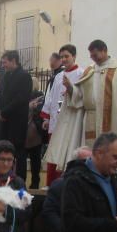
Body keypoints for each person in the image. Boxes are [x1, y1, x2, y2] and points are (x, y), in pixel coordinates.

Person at [46, 40, 117, 183]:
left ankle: (115, 180)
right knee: (91, 152)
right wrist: (71, 88)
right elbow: (79, 96)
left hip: (113, 120)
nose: (93, 58)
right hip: (90, 120)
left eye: (95, 55)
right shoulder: (90, 70)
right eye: (91, 56)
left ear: (104, 50)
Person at [41, 45, 85, 185]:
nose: (64, 59)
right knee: (54, 155)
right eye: (62, 57)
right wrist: (47, 117)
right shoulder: (58, 76)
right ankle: (52, 185)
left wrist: (71, 89)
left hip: (70, 123)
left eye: (67, 56)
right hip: (55, 122)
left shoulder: (82, 73)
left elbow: (83, 97)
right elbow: (50, 97)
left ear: (74, 56)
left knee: (67, 154)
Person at [0, 50, 33, 180]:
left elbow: (21, 99)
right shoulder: (5, 77)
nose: (3, 65)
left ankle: (19, 180)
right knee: (3, 150)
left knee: (18, 152)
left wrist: (5, 112)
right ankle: (4, 177)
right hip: (4, 120)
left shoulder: (24, 76)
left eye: (4, 62)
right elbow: (0, 95)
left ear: (13, 61)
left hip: (17, 121)